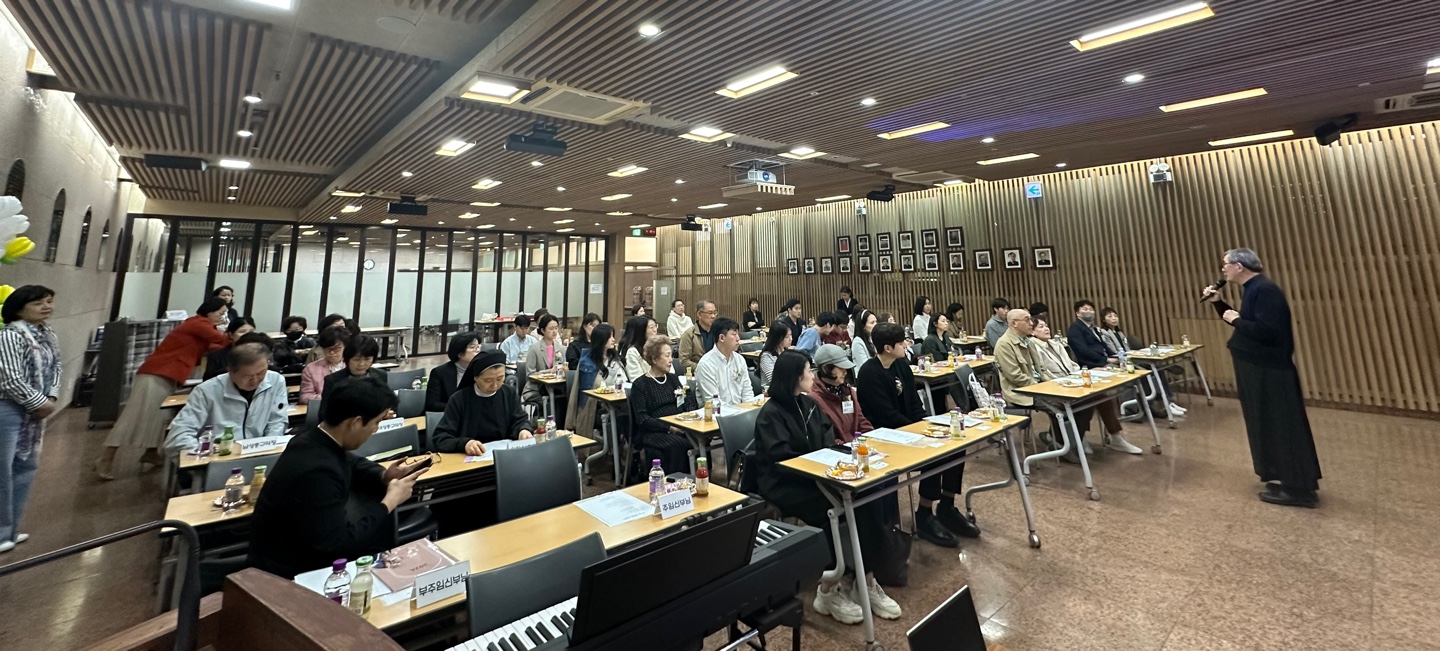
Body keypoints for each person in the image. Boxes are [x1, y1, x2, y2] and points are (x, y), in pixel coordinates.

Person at [755, 351, 901, 624]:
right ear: (795, 377)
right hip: (787, 483)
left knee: (866, 496)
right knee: (832, 511)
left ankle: (866, 580)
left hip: (819, 475)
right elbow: (780, 460)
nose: (812, 376)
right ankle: (827, 590)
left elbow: (827, 441)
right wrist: (819, 467)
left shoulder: (809, 404)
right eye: (808, 372)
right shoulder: (770, 414)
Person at [247, 380, 426, 579]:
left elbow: (352, 463)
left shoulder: (313, 440)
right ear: (355, 423)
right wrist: (389, 502)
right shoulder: (317, 472)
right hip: (289, 576)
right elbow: (338, 544)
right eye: (376, 423)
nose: (375, 430)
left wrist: (383, 475)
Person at [1205, 248, 1321, 507]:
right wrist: (1219, 304)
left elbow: (1267, 333)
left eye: (1225, 264)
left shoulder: (1264, 290)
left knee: (1281, 426)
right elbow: (1248, 327)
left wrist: (1235, 319)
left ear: (1239, 266)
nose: (1223, 269)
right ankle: (1287, 478)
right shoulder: (1254, 290)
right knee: (1269, 425)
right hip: (1260, 369)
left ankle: (1298, 489)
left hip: (1269, 372)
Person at [856, 323, 977, 547]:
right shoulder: (869, 373)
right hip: (885, 436)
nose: (906, 345)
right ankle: (924, 513)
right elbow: (885, 415)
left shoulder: (902, 365)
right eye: (901, 343)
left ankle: (947, 505)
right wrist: (918, 431)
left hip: (908, 429)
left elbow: (913, 402)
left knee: (954, 446)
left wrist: (926, 424)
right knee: (933, 454)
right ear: (888, 348)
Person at [95, 297, 231, 480]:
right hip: (157, 373)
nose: (222, 317)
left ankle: (151, 453)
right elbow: (220, 340)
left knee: (159, 417)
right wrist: (234, 335)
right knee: (134, 417)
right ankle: (105, 458)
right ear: (209, 311)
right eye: (220, 313)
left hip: (166, 374)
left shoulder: (200, 325)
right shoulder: (199, 324)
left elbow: (213, 346)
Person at [0, 286, 60, 552]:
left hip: (33, 410)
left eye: (49, 301)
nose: (46, 307)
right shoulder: (9, 335)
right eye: (38, 303)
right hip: (7, 407)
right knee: (3, 471)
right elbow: (10, 378)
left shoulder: (47, 334)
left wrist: (52, 397)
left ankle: (11, 530)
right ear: (18, 308)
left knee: (25, 467)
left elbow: (56, 367)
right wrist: (40, 403)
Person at [1032, 315, 1135, 458]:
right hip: (1057, 386)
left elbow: (1071, 365)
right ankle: (1078, 438)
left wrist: (1081, 373)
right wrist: (1068, 380)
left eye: (1046, 325)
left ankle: (1116, 438)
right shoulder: (1034, 347)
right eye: (1041, 327)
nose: (1046, 329)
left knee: (1102, 396)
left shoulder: (1056, 344)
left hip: (1072, 380)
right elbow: (1044, 373)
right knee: (1089, 399)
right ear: (1032, 332)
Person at [163, 342, 289, 456]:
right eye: (247, 376)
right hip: (217, 455)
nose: (255, 380)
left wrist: (269, 448)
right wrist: (204, 454)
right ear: (230, 371)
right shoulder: (206, 391)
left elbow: (277, 421)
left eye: (261, 373)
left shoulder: (276, 380)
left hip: (260, 453)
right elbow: (179, 435)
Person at [431, 351, 533, 455]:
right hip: (470, 458)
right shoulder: (459, 399)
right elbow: (441, 437)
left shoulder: (509, 393)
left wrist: (523, 430)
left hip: (504, 456)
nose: (495, 385)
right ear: (475, 378)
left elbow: (520, 420)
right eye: (488, 380)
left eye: (500, 378)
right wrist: (465, 444)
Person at [627, 335, 698, 474]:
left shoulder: (673, 379)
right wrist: (669, 428)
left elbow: (688, 400)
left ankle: (701, 480)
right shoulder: (640, 385)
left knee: (700, 440)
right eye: (667, 356)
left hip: (681, 425)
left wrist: (689, 417)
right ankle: (676, 482)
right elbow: (642, 419)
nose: (671, 360)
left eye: (671, 355)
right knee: (679, 444)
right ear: (654, 359)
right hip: (655, 431)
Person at [1099, 307, 1186, 419]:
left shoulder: (1119, 332)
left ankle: (1167, 401)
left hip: (1129, 358)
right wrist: (1128, 357)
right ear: (1103, 319)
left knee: (1157, 369)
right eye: (1110, 316)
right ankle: (1160, 404)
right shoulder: (1104, 333)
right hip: (1119, 361)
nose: (1114, 318)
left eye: (1115, 316)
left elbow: (1127, 348)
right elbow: (1113, 351)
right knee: (1149, 371)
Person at [809, 345, 871, 444]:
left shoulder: (848, 391)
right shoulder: (813, 399)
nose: (845, 372)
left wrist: (872, 437)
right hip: (839, 449)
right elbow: (825, 437)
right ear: (825, 369)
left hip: (857, 445)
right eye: (840, 368)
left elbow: (861, 420)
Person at [694, 318, 755, 405]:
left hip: (741, 410)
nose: (738, 338)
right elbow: (713, 401)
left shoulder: (739, 359)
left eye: (738, 334)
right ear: (722, 338)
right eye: (734, 334)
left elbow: (747, 392)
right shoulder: (706, 364)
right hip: (716, 412)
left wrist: (749, 408)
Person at [320, 335, 389, 406]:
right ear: (348, 358)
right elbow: (324, 411)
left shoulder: (381, 375)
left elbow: (386, 402)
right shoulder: (333, 380)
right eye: (356, 359)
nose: (361, 364)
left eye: (367, 359)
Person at [425, 333, 480, 412]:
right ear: (460, 353)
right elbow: (432, 404)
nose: (477, 350)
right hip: (447, 415)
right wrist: (461, 408)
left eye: (478, 346)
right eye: (472, 347)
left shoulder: (481, 371)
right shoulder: (439, 372)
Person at [521, 315, 565, 409]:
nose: (554, 331)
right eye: (551, 328)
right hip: (536, 389)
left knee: (565, 399)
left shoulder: (561, 348)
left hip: (555, 387)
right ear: (543, 330)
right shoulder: (534, 349)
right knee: (550, 401)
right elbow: (530, 374)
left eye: (556, 328)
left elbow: (564, 368)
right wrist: (549, 371)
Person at [299, 329, 346, 405]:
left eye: (336, 348)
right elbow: (305, 397)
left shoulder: (352, 365)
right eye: (327, 349)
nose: (332, 352)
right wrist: (328, 398)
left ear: (345, 347)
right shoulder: (311, 369)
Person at [203, 317, 257, 381]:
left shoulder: (260, 353)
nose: (247, 335)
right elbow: (208, 380)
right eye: (242, 331)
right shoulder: (216, 356)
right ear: (231, 335)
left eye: (251, 331)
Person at [1067, 300, 1113, 369]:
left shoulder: (1094, 328)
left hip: (1105, 361)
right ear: (1077, 313)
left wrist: (1115, 356)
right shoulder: (1075, 328)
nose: (1089, 311)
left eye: (1091, 310)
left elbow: (1103, 345)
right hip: (1092, 364)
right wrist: (1106, 359)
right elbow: (1083, 350)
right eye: (1085, 309)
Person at [678, 299, 717, 372]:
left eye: (715, 313)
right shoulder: (689, 334)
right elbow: (684, 361)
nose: (713, 316)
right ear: (699, 314)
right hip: (697, 374)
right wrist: (703, 368)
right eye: (710, 313)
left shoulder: (718, 333)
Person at [850, 309, 877, 373]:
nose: (876, 325)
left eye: (876, 322)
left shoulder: (873, 338)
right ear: (863, 326)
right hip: (865, 375)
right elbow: (865, 365)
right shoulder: (857, 342)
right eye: (872, 323)